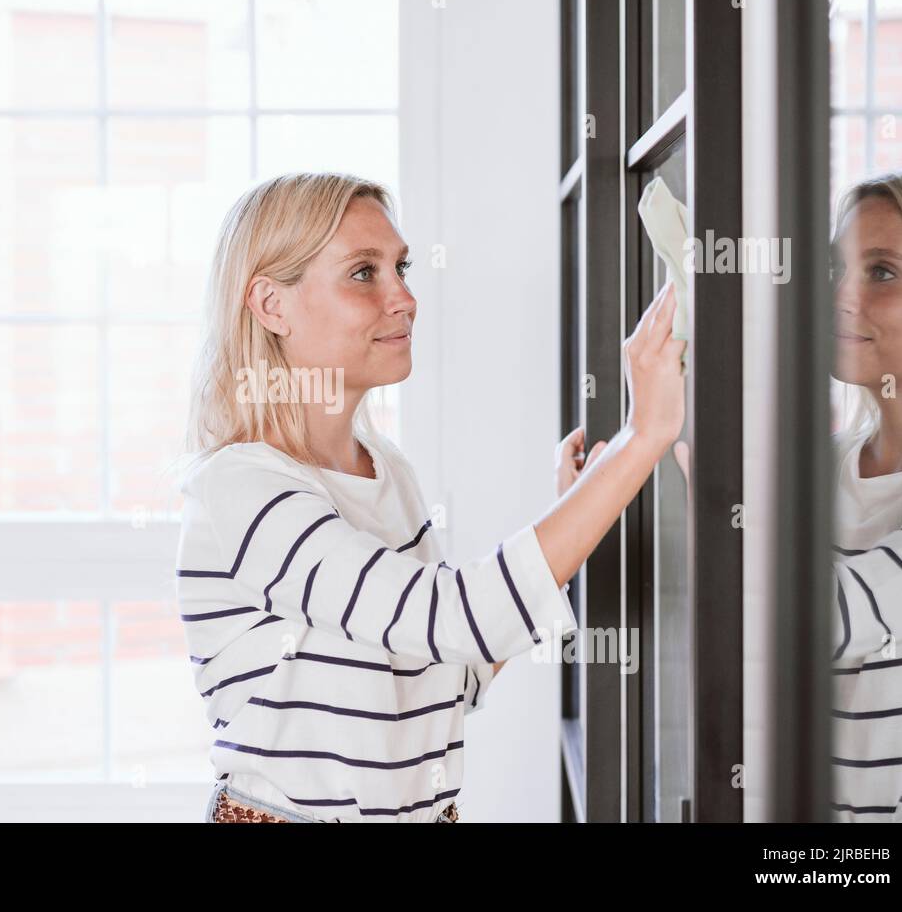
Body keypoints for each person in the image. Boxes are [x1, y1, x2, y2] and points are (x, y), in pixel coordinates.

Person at [176, 172, 685, 822]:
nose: (405, 298)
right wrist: (643, 439)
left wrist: (576, 517)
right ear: (271, 306)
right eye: (365, 273)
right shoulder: (243, 489)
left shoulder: (384, 468)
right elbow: (449, 616)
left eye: (401, 267)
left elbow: (454, 670)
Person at [828, 172, 902, 821]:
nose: (843, 295)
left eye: (883, 272)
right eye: (838, 268)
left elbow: (824, 618)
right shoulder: (820, 472)